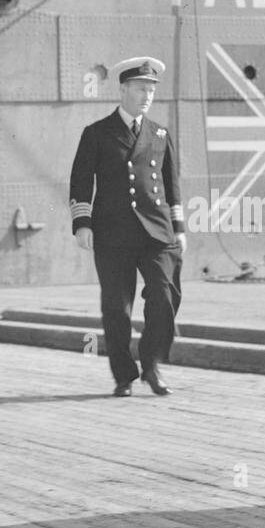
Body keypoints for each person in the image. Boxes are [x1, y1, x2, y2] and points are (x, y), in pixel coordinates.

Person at [69, 57, 186, 397]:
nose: (147, 95)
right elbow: (80, 181)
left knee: (164, 296)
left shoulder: (160, 134)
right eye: (140, 89)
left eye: (151, 90)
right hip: (113, 232)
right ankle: (124, 375)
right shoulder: (96, 133)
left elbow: (171, 184)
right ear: (123, 90)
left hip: (158, 231)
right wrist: (82, 223)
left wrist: (179, 228)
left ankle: (151, 364)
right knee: (117, 309)